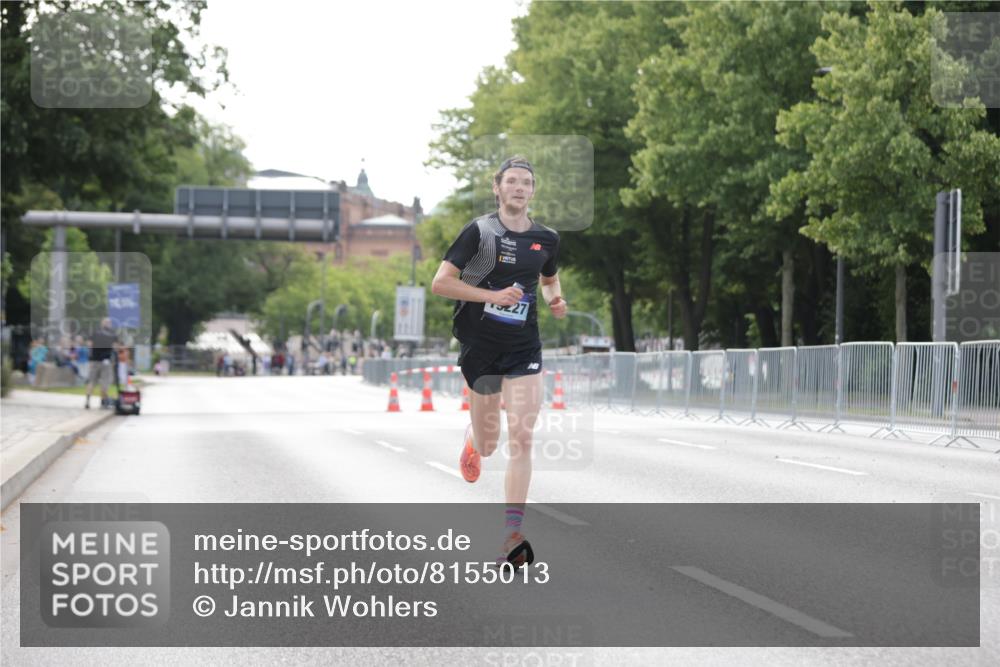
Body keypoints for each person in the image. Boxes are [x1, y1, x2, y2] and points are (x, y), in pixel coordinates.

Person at [431, 155, 567, 567]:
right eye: (512, 181)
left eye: (526, 182)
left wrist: (555, 299)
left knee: (522, 437)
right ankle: (474, 439)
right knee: (490, 445)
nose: (519, 188)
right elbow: (441, 284)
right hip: (481, 347)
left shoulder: (547, 238)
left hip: (524, 347)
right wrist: (493, 296)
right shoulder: (480, 232)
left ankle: (512, 535)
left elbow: (548, 278)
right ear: (498, 188)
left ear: (533, 190)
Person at [85, 318, 117, 409]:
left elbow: (89, 345)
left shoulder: (95, 332)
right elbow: (115, 347)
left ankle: (87, 401)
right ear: (109, 324)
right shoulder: (112, 334)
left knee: (91, 381)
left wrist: (91, 358)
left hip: (94, 361)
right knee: (105, 382)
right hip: (106, 362)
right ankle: (103, 403)